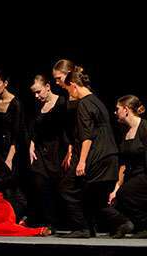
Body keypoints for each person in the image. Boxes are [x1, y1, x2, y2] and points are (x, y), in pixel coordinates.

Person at [58, 69, 120, 238]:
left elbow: (87, 136)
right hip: (110, 154)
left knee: (68, 188)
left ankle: (83, 228)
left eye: (68, 89)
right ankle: (110, 225)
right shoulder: (97, 101)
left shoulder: (84, 104)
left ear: (73, 85)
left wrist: (82, 161)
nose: (69, 93)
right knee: (91, 195)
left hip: (97, 155)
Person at [27, 74, 68, 230]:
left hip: (57, 150)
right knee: (40, 184)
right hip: (40, 150)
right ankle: (47, 221)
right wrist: (31, 144)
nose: (37, 96)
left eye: (39, 92)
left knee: (57, 185)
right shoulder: (38, 105)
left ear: (48, 87)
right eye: (34, 93)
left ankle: (60, 222)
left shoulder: (62, 102)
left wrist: (70, 149)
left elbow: (68, 129)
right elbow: (33, 128)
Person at [106, 95, 146, 238]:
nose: (115, 112)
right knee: (115, 198)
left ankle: (143, 225)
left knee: (126, 194)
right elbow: (123, 164)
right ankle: (136, 227)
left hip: (144, 174)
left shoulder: (145, 128)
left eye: (117, 109)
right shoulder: (125, 131)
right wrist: (116, 188)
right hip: (132, 174)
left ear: (126, 109)